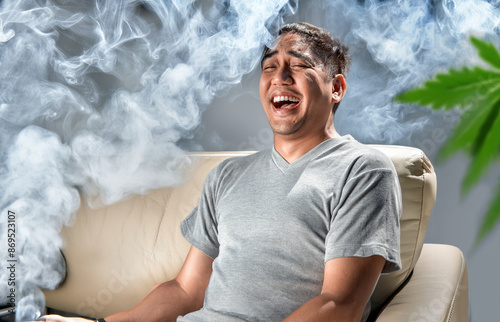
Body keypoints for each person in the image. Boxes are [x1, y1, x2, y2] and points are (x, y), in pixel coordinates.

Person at [40, 22, 401, 322]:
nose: (280, 77)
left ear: (336, 88)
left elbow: (339, 305)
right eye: (270, 66)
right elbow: (185, 291)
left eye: (299, 65)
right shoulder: (227, 175)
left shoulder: (363, 171)